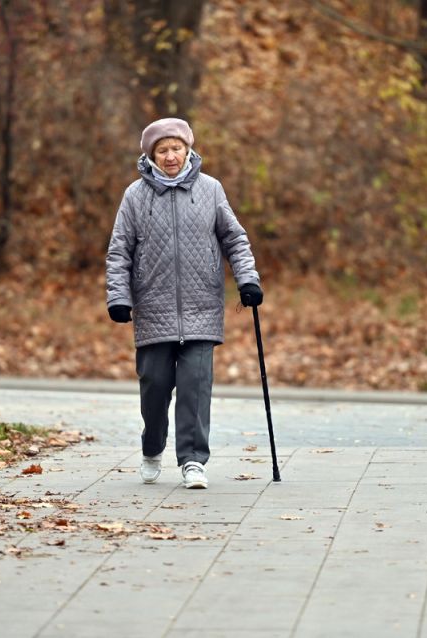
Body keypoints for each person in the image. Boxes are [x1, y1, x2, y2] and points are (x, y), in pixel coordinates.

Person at [105, 118, 263, 489]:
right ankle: (152, 446)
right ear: (152, 156)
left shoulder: (210, 190)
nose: (171, 156)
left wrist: (248, 280)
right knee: (155, 386)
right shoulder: (135, 196)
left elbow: (234, 239)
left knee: (194, 386)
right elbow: (119, 251)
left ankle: (193, 460)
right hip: (153, 307)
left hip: (201, 306)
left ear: (188, 149)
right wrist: (118, 297)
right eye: (163, 150)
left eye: (176, 148)